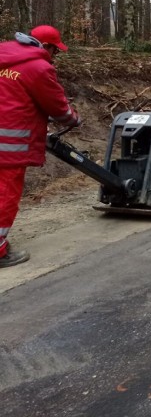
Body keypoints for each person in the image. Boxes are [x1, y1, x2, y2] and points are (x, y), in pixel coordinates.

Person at [0, 25, 81, 268]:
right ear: (45, 46)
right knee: (5, 194)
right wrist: (74, 119)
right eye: (55, 50)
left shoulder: (3, 54)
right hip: (8, 144)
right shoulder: (38, 68)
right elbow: (57, 106)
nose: (54, 55)